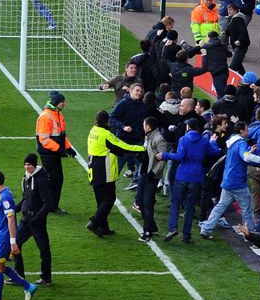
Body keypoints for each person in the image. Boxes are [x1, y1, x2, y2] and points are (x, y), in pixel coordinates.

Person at [0, 168, 40, 300]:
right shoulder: (1, 194)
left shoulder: (5, 197)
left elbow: (12, 219)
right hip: (2, 235)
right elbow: (4, 217)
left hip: (5, 238)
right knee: (0, 266)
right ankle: (28, 287)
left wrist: (13, 242)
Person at [200, 120, 260, 239]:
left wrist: (249, 151)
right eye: (246, 129)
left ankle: (206, 229)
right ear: (241, 131)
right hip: (238, 183)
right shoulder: (241, 143)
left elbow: (239, 157)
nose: (248, 131)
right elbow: (246, 157)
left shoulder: (232, 142)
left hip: (227, 180)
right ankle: (251, 234)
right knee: (247, 210)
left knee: (220, 207)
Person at [160, 117, 221, 243]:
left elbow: (180, 156)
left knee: (175, 203)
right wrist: (213, 141)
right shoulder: (204, 141)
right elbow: (215, 152)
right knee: (190, 206)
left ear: (188, 127)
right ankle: (186, 235)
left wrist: (164, 155)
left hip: (182, 175)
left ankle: (173, 228)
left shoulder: (183, 139)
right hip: (196, 177)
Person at [86, 109, 145, 237]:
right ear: (106, 121)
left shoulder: (93, 131)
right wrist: (142, 148)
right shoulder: (105, 134)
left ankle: (103, 227)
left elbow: (111, 148)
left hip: (93, 169)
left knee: (101, 201)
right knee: (109, 198)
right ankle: (94, 223)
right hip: (104, 171)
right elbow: (123, 146)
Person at [14, 153, 54, 284]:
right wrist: (14, 209)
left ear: (34, 165)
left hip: (37, 222)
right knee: (15, 245)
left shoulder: (40, 180)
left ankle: (46, 277)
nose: (27, 167)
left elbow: (48, 202)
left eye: (29, 165)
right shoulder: (26, 178)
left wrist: (38, 218)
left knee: (44, 249)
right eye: (25, 164)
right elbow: (25, 198)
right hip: (26, 220)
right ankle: (19, 276)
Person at [36, 91, 78, 214]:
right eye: (62, 102)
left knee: (56, 179)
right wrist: (59, 149)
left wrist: (68, 148)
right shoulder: (46, 116)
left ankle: (50, 204)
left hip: (53, 153)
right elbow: (44, 139)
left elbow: (62, 135)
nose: (64, 104)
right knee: (54, 179)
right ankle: (46, 203)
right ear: (56, 103)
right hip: (47, 153)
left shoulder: (58, 114)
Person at [139, 116, 170, 241]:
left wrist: (153, 173)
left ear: (148, 127)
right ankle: (152, 227)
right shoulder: (148, 137)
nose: (143, 127)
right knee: (141, 203)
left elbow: (163, 159)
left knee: (147, 204)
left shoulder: (159, 139)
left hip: (151, 177)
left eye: (144, 125)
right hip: (144, 174)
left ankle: (147, 232)